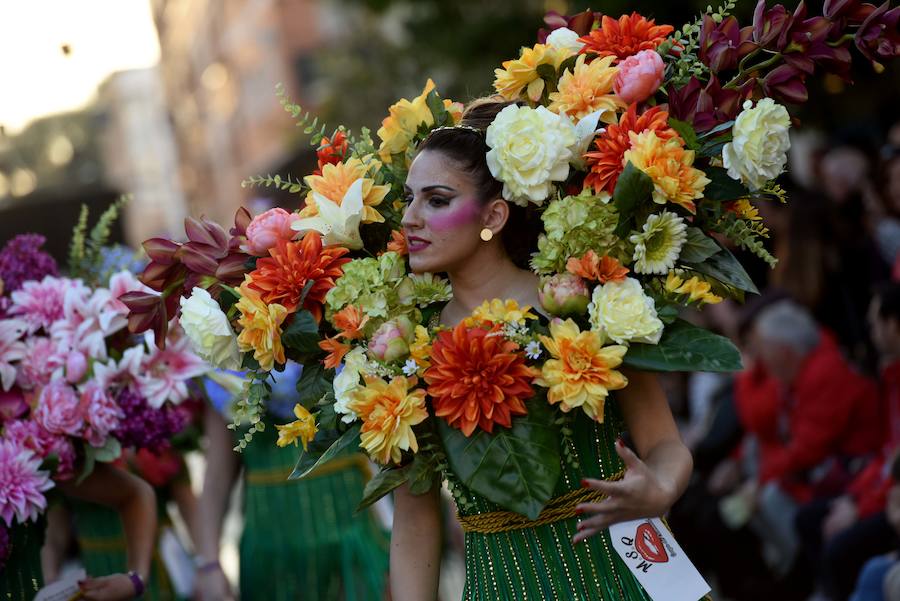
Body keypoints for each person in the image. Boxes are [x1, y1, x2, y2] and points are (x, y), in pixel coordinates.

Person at [389, 98, 694, 600]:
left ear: (494, 215)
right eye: (408, 199)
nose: (411, 218)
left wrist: (659, 487)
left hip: (618, 577)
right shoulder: (405, 349)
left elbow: (664, 444)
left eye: (436, 200)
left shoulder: (583, 305)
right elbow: (415, 517)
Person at [193, 364, 390, 601]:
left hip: (353, 539)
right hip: (268, 554)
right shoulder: (220, 353)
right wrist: (209, 565)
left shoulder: (346, 333)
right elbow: (216, 476)